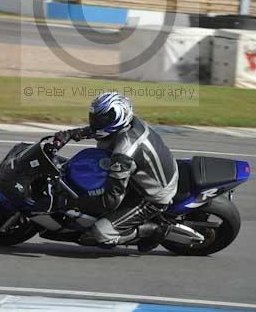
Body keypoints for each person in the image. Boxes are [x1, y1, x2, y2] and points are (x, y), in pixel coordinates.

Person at [53, 92, 179, 252]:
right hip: (142, 174)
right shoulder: (127, 123)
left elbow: (111, 199)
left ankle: (154, 230)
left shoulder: (124, 152)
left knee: (101, 233)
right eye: (95, 117)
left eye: (103, 119)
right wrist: (71, 134)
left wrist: (72, 202)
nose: (96, 122)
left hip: (152, 196)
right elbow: (100, 130)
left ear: (119, 117)